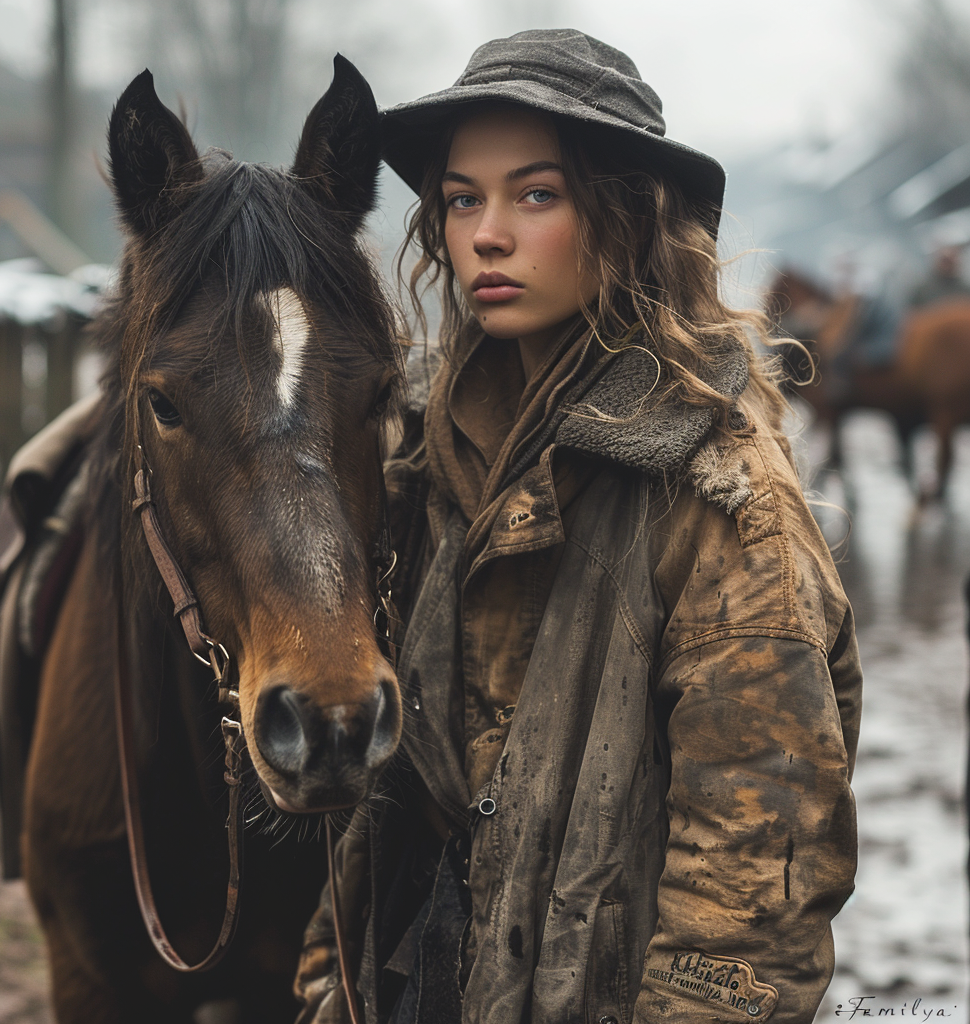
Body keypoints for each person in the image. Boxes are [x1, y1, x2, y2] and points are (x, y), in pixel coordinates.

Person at [294, 29, 861, 1024]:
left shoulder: (720, 499)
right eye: (462, 198)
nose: (486, 234)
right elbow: (389, 795)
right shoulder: (424, 460)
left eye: (535, 194)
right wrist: (328, 978)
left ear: (626, 214)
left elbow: (751, 884)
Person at [908, 245, 970, 310]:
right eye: (945, 260)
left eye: (951, 260)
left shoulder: (966, 290)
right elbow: (912, 315)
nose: (947, 265)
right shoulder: (922, 291)